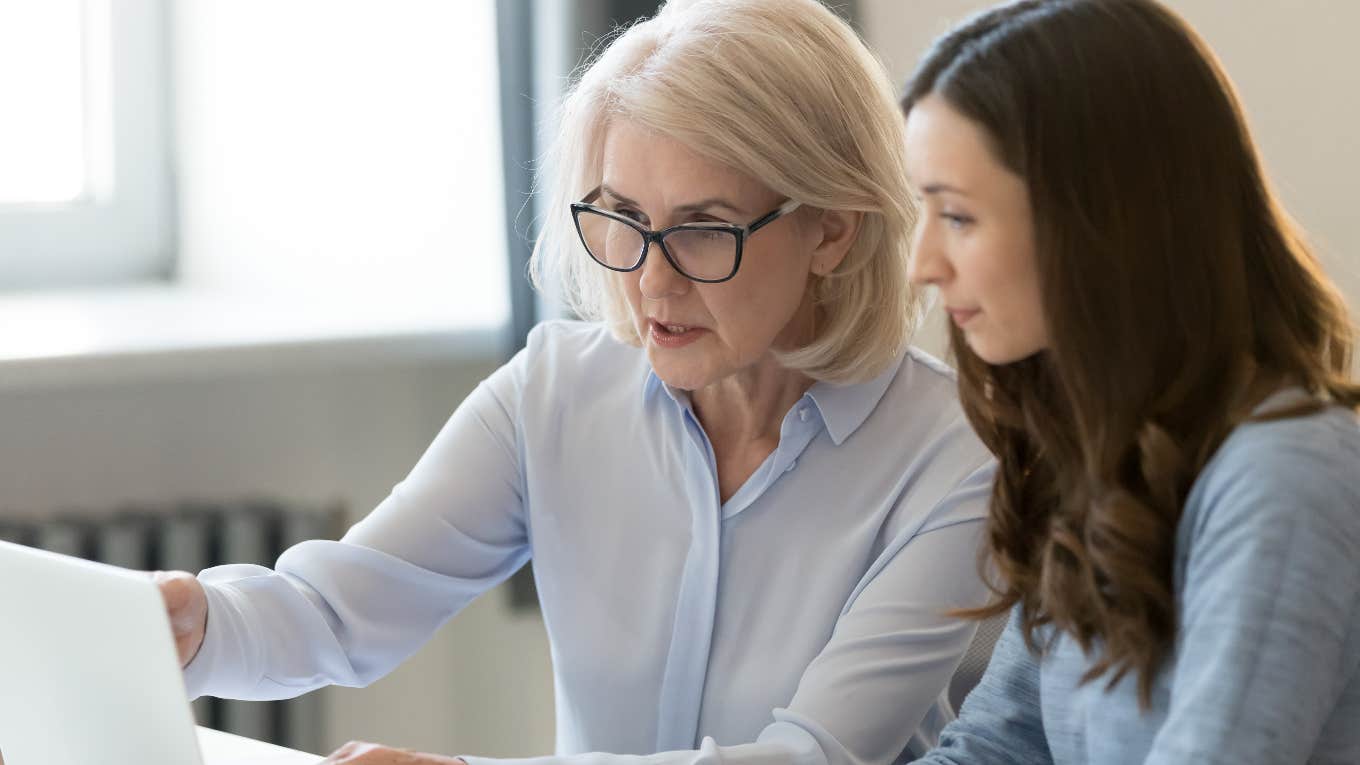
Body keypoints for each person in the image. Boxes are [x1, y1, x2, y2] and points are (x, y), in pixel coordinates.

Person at [155, 1, 997, 763]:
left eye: (703, 229)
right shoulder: (553, 392)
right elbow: (336, 608)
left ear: (833, 230)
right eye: (624, 218)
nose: (652, 284)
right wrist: (200, 623)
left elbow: (810, 759)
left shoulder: (956, 461)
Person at [898, 0, 1360, 763]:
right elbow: (995, 748)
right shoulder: (1106, 462)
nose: (922, 264)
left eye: (958, 217)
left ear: (1093, 224)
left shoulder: (1285, 475)